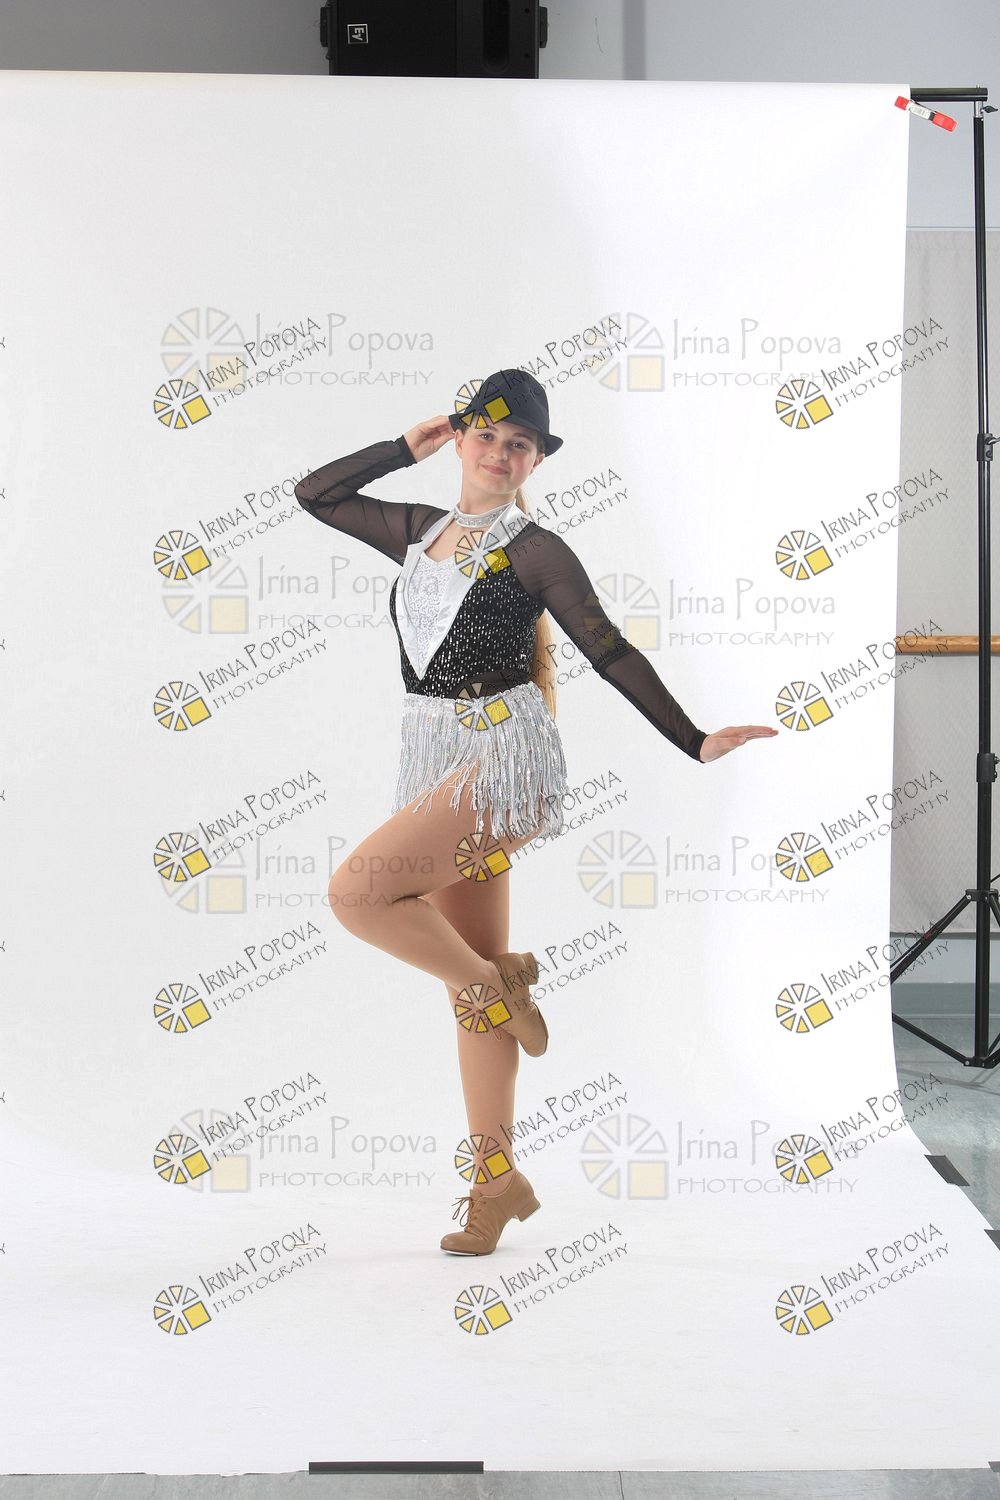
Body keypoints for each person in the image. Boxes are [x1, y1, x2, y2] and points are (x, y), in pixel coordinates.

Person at [293, 368, 776, 1256]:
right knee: (464, 986)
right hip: (435, 756)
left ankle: (497, 985)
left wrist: (694, 739)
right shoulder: (416, 530)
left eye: (520, 444)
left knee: (358, 894)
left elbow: (607, 647)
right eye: (487, 435)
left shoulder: (535, 548)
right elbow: (315, 495)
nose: (501, 453)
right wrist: (403, 446)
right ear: (460, 439)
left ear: (536, 461)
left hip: (504, 761)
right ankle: (497, 1183)